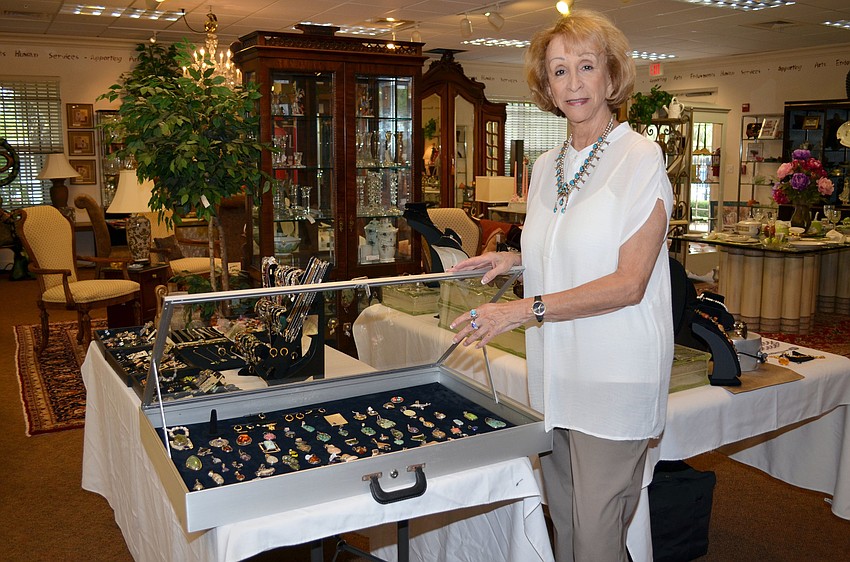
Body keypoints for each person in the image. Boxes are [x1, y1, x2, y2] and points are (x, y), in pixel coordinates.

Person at [448, 10, 674, 561]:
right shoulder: (548, 164)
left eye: (586, 67)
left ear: (611, 76)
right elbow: (566, 248)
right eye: (558, 71)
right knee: (566, 524)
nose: (573, 83)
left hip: (616, 375)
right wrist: (512, 259)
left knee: (596, 536)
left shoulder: (640, 157)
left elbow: (627, 283)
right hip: (557, 370)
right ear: (545, 84)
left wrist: (524, 309)